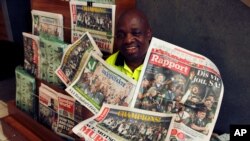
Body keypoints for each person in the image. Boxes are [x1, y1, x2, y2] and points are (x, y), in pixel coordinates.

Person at [106, 9, 152, 81]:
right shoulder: (109, 64)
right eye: (121, 35)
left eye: (136, 33)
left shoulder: (163, 65)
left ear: (148, 34)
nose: (128, 40)